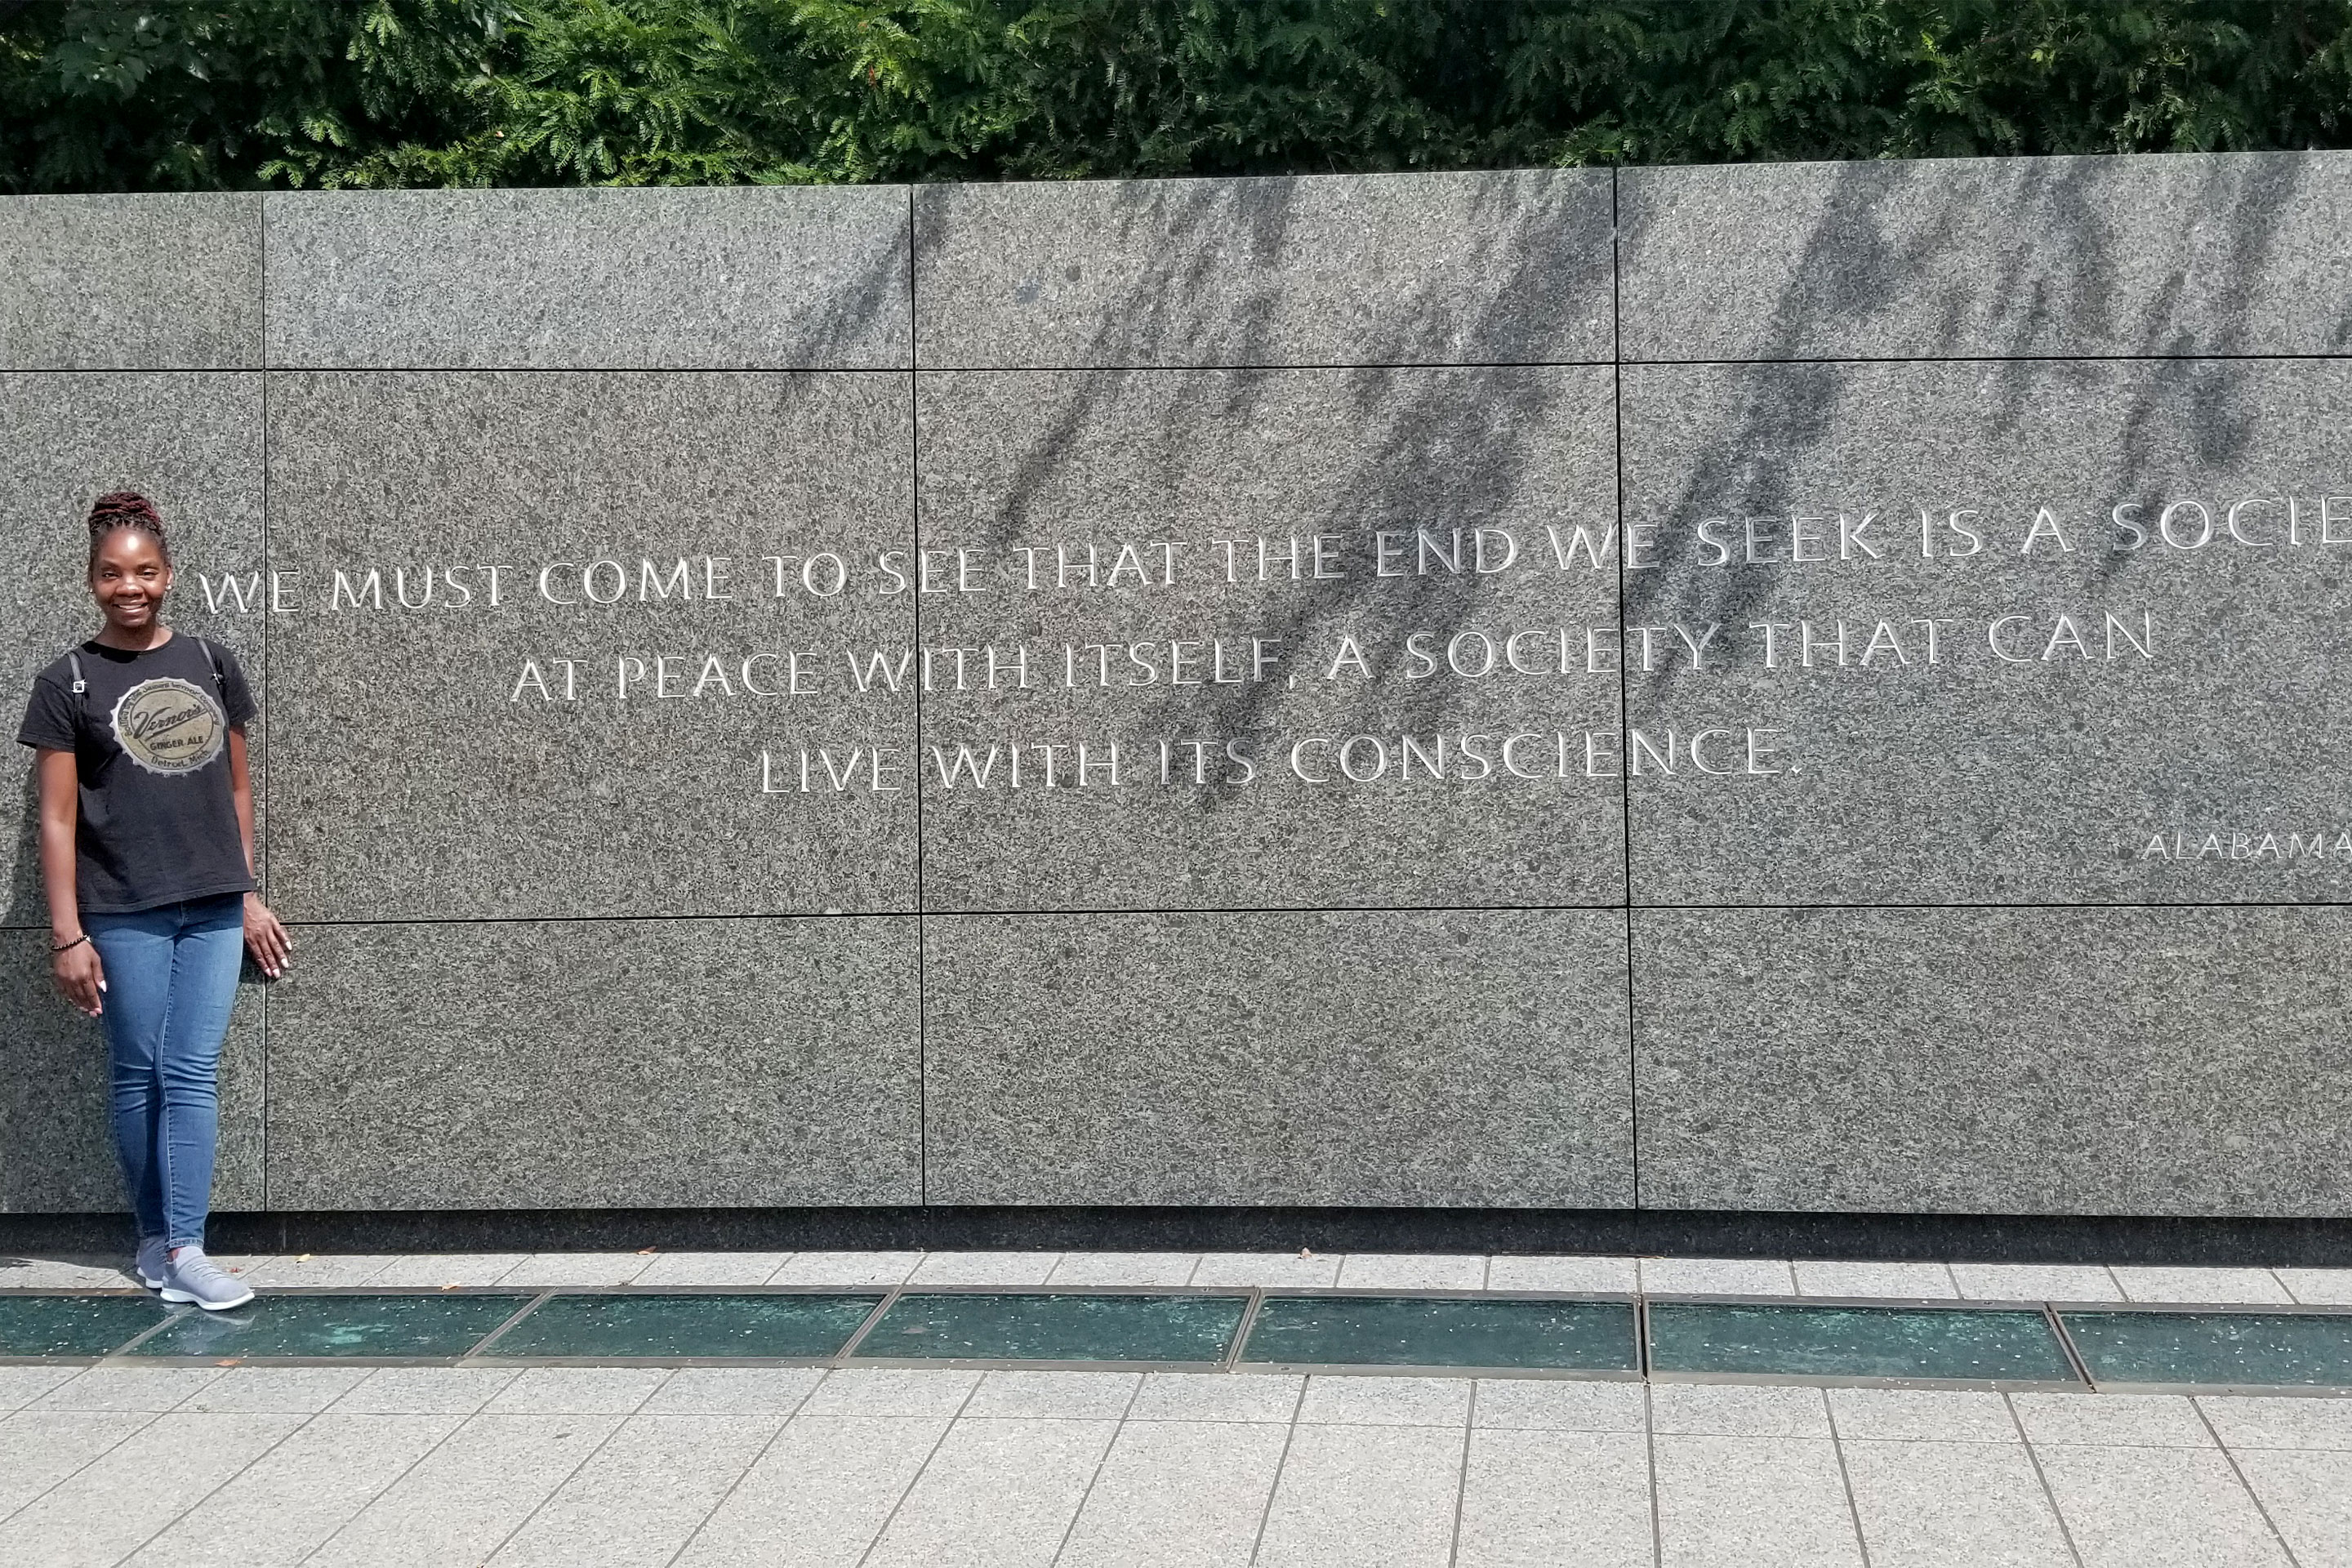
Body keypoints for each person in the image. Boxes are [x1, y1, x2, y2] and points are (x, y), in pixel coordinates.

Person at [18, 491, 292, 1312]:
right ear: (92, 580)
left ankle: (185, 1247)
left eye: (144, 571)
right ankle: (154, 1240)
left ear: (168, 575)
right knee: (138, 1074)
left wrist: (245, 893)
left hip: (211, 905)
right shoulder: (66, 681)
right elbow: (57, 818)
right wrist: (68, 934)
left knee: (190, 1072)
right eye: (113, 573)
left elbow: (237, 790)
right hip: (124, 909)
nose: (129, 586)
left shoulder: (211, 662)